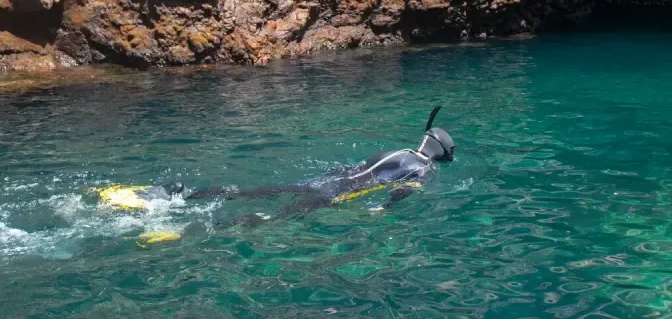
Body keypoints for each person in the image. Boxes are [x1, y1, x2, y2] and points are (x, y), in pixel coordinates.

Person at [97, 106, 454, 222]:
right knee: (275, 219)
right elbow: (404, 190)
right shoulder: (424, 169)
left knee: (250, 192)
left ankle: (179, 194)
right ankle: (192, 229)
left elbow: (360, 167)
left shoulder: (395, 151)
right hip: (338, 195)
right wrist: (383, 210)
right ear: (442, 153)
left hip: (321, 179)